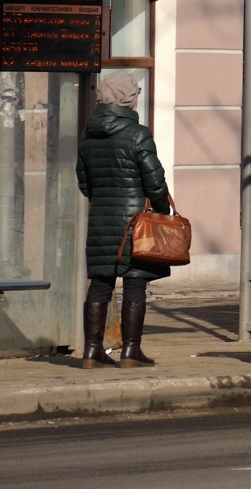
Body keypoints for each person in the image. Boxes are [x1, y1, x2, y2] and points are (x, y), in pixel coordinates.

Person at [76, 72, 171, 368]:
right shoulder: (138, 133)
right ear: (129, 98)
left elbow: (83, 181)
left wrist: (103, 198)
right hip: (135, 222)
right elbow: (154, 179)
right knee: (134, 283)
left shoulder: (88, 135)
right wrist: (160, 210)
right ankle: (131, 352)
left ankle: (92, 352)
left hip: (101, 219)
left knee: (100, 285)